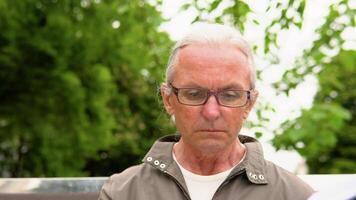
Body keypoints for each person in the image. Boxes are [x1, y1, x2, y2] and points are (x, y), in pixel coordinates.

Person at [98, 23, 314, 200]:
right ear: (168, 99)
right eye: (194, 94)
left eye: (230, 95)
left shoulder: (294, 195)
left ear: (249, 103)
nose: (211, 112)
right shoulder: (123, 193)